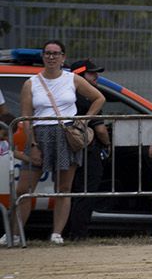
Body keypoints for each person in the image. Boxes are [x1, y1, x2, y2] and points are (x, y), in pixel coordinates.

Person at [8, 41, 105, 245]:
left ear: (63, 57)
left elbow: (99, 98)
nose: (51, 57)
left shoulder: (72, 79)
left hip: (65, 135)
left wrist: (84, 120)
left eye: (56, 53)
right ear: (43, 56)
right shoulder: (31, 83)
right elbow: (26, 118)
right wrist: (33, 145)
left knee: (63, 188)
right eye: (48, 53)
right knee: (24, 189)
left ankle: (56, 234)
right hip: (39, 135)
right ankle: (15, 234)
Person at [63, 57, 112, 241]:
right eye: (92, 74)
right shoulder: (89, 100)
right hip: (88, 152)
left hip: (69, 150)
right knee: (85, 192)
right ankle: (79, 233)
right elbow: (100, 130)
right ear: (79, 76)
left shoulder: (67, 97)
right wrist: (107, 144)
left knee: (70, 192)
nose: (96, 77)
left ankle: (66, 231)